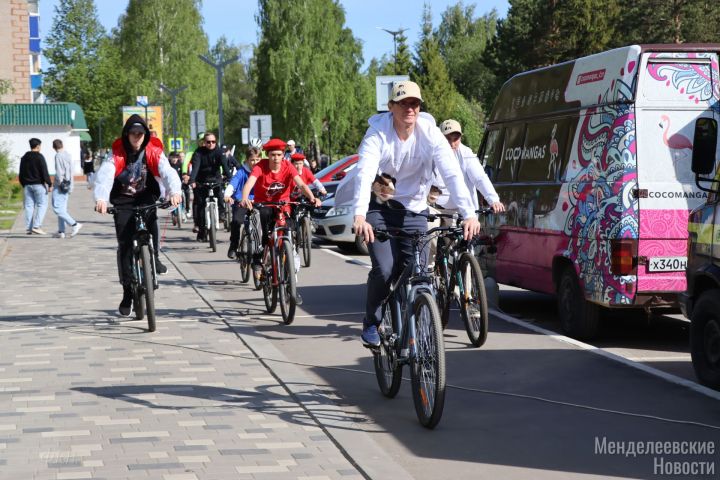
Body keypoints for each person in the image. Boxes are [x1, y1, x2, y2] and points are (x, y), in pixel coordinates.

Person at [350, 81, 481, 347]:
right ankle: (372, 322)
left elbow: (452, 173)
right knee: (385, 270)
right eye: (403, 103)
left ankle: (414, 331)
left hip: (415, 210)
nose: (410, 108)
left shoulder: (429, 133)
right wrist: (360, 215)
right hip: (380, 209)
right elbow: (364, 173)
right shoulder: (378, 134)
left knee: (418, 273)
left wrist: (469, 213)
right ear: (391, 107)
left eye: (415, 104)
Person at [93, 114, 182, 317]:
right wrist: (101, 198)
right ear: (127, 134)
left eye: (140, 133)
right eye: (133, 133)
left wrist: (175, 192)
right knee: (124, 245)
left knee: (152, 222)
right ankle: (127, 292)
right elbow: (105, 175)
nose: (137, 137)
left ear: (145, 135)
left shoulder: (153, 151)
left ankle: (155, 257)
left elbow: (167, 172)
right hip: (123, 200)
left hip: (145, 196)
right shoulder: (116, 154)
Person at [240, 138, 321, 280]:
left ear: (283, 155)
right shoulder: (260, 166)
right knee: (260, 230)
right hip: (263, 205)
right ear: (268, 155)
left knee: (290, 230)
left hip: (283, 205)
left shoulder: (288, 166)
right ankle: (258, 259)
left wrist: (312, 197)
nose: (276, 158)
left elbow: (301, 184)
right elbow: (249, 183)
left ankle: (288, 259)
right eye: (272, 155)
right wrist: (245, 198)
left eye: (279, 154)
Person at [189, 132, 229, 241]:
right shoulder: (198, 152)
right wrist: (192, 180)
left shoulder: (219, 152)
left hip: (215, 179)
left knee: (220, 194)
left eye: (213, 141)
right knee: (201, 205)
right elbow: (195, 167)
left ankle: (221, 213)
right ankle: (202, 230)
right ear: (204, 143)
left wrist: (229, 178)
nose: (211, 144)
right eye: (208, 142)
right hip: (201, 181)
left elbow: (225, 166)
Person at [223, 146, 260, 259]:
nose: (255, 162)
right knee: (236, 221)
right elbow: (232, 184)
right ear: (247, 160)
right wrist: (227, 195)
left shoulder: (262, 171)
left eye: (257, 159)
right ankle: (233, 245)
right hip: (241, 202)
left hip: (257, 202)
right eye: (252, 160)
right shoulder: (241, 172)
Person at [18, 138, 52, 235]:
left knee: (29, 206)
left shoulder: (24, 157)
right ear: (37, 146)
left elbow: (21, 173)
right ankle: (36, 226)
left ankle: (29, 228)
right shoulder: (39, 157)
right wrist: (49, 183)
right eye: (40, 146)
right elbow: (44, 171)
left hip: (27, 186)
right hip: (38, 185)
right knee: (42, 204)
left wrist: (23, 184)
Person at [51, 139, 82, 238]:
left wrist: (59, 183)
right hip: (68, 185)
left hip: (60, 185)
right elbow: (71, 171)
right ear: (62, 145)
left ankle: (74, 224)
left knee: (57, 208)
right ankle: (61, 231)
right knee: (62, 208)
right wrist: (70, 186)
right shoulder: (68, 155)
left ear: (54, 147)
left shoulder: (58, 156)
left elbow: (60, 172)